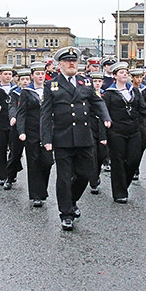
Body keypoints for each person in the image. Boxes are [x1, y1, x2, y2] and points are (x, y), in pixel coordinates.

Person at [40, 47, 112, 231]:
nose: (72, 64)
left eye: (74, 61)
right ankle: (66, 214)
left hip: (84, 136)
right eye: (68, 61)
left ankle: (71, 200)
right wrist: (46, 138)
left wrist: (105, 117)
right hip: (62, 138)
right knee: (64, 177)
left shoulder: (85, 82)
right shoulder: (52, 85)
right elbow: (46, 114)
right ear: (60, 65)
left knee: (86, 174)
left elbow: (97, 101)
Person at [103, 62, 146, 204]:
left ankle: (124, 183)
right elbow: (104, 113)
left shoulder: (134, 91)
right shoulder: (109, 93)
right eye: (121, 72)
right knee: (118, 161)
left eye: (126, 72)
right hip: (116, 131)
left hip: (133, 129)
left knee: (134, 158)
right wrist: (104, 135)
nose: (124, 74)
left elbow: (143, 108)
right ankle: (119, 192)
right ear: (115, 76)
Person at [17, 62, 54, 208]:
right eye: (37, 74)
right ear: (32, 76)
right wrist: (21, 131)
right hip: (31, 132)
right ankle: (36, 195)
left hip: (47, 132)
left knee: (47, 162)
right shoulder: (26, 92)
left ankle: (42, 189)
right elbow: (21, 113)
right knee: (33, 163)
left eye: (42, 74)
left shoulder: (50, 89)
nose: (40, 76)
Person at [5, 68, 30, 189]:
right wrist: (13, 117)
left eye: (27, 79)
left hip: (31, 125)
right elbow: (12, 106)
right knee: (15, 154)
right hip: (17, 126)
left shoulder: (34, 91)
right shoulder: (14, 92)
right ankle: (9, 178)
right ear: (18, 81)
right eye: (22, 79)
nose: (25, 81)